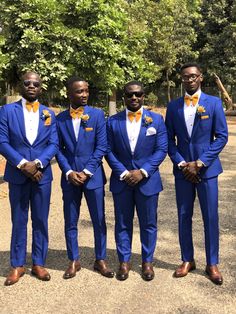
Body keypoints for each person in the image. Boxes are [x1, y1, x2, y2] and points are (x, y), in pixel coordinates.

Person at [165, 63, 228, 285]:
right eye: (185, 77)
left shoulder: (213, 103)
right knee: (184, 216)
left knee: (210, 217)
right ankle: (187, 260)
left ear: (200, 78)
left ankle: (212, 263)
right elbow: (168, 141)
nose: (189, 80)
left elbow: (221, 136)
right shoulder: (172, 107)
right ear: (181, 80)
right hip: (183, 172)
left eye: (193, 76)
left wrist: (200, 163)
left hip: (207, 171)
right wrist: (183, 164)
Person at [0, 72, 58, 286]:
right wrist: (23, 164)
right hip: (17, 174)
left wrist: (39, 163)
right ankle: (17, 265)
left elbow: (53, 143)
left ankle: (39, 263)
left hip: (42, 175)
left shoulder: (48, 113)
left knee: (41, 220)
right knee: (19, 220)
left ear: (41, 88)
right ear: (20, 86)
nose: (32, 86)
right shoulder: (6, 111)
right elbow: (2, 141)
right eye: (28, 83)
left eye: (36, 84)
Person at [106, 81, 168, 281]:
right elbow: (107, 150)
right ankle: (124, 261)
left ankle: (147, 261)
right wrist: (123, 173)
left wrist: (143, 171)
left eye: (138, 94)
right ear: (124, 97)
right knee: (122, 223)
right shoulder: (112, 121)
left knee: (149, 223)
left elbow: (161, 149)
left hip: (147, 181)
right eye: (130, 95)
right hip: (122, 180)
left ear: (144, 96)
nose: (134, 98)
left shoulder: (156, 120)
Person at [56, 77, 114, 279]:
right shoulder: (60, 119)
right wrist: (69, 171)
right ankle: (74, 260)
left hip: (93, 177)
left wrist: (87, 171)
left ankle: (101, 259)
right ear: (69, 94)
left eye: (86, 91)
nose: (84, 94)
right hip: (70, 178)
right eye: (79, 91)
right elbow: (58, 149)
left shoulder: (97, 115)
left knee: (99, 220)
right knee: (70, 221)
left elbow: (102, 147)